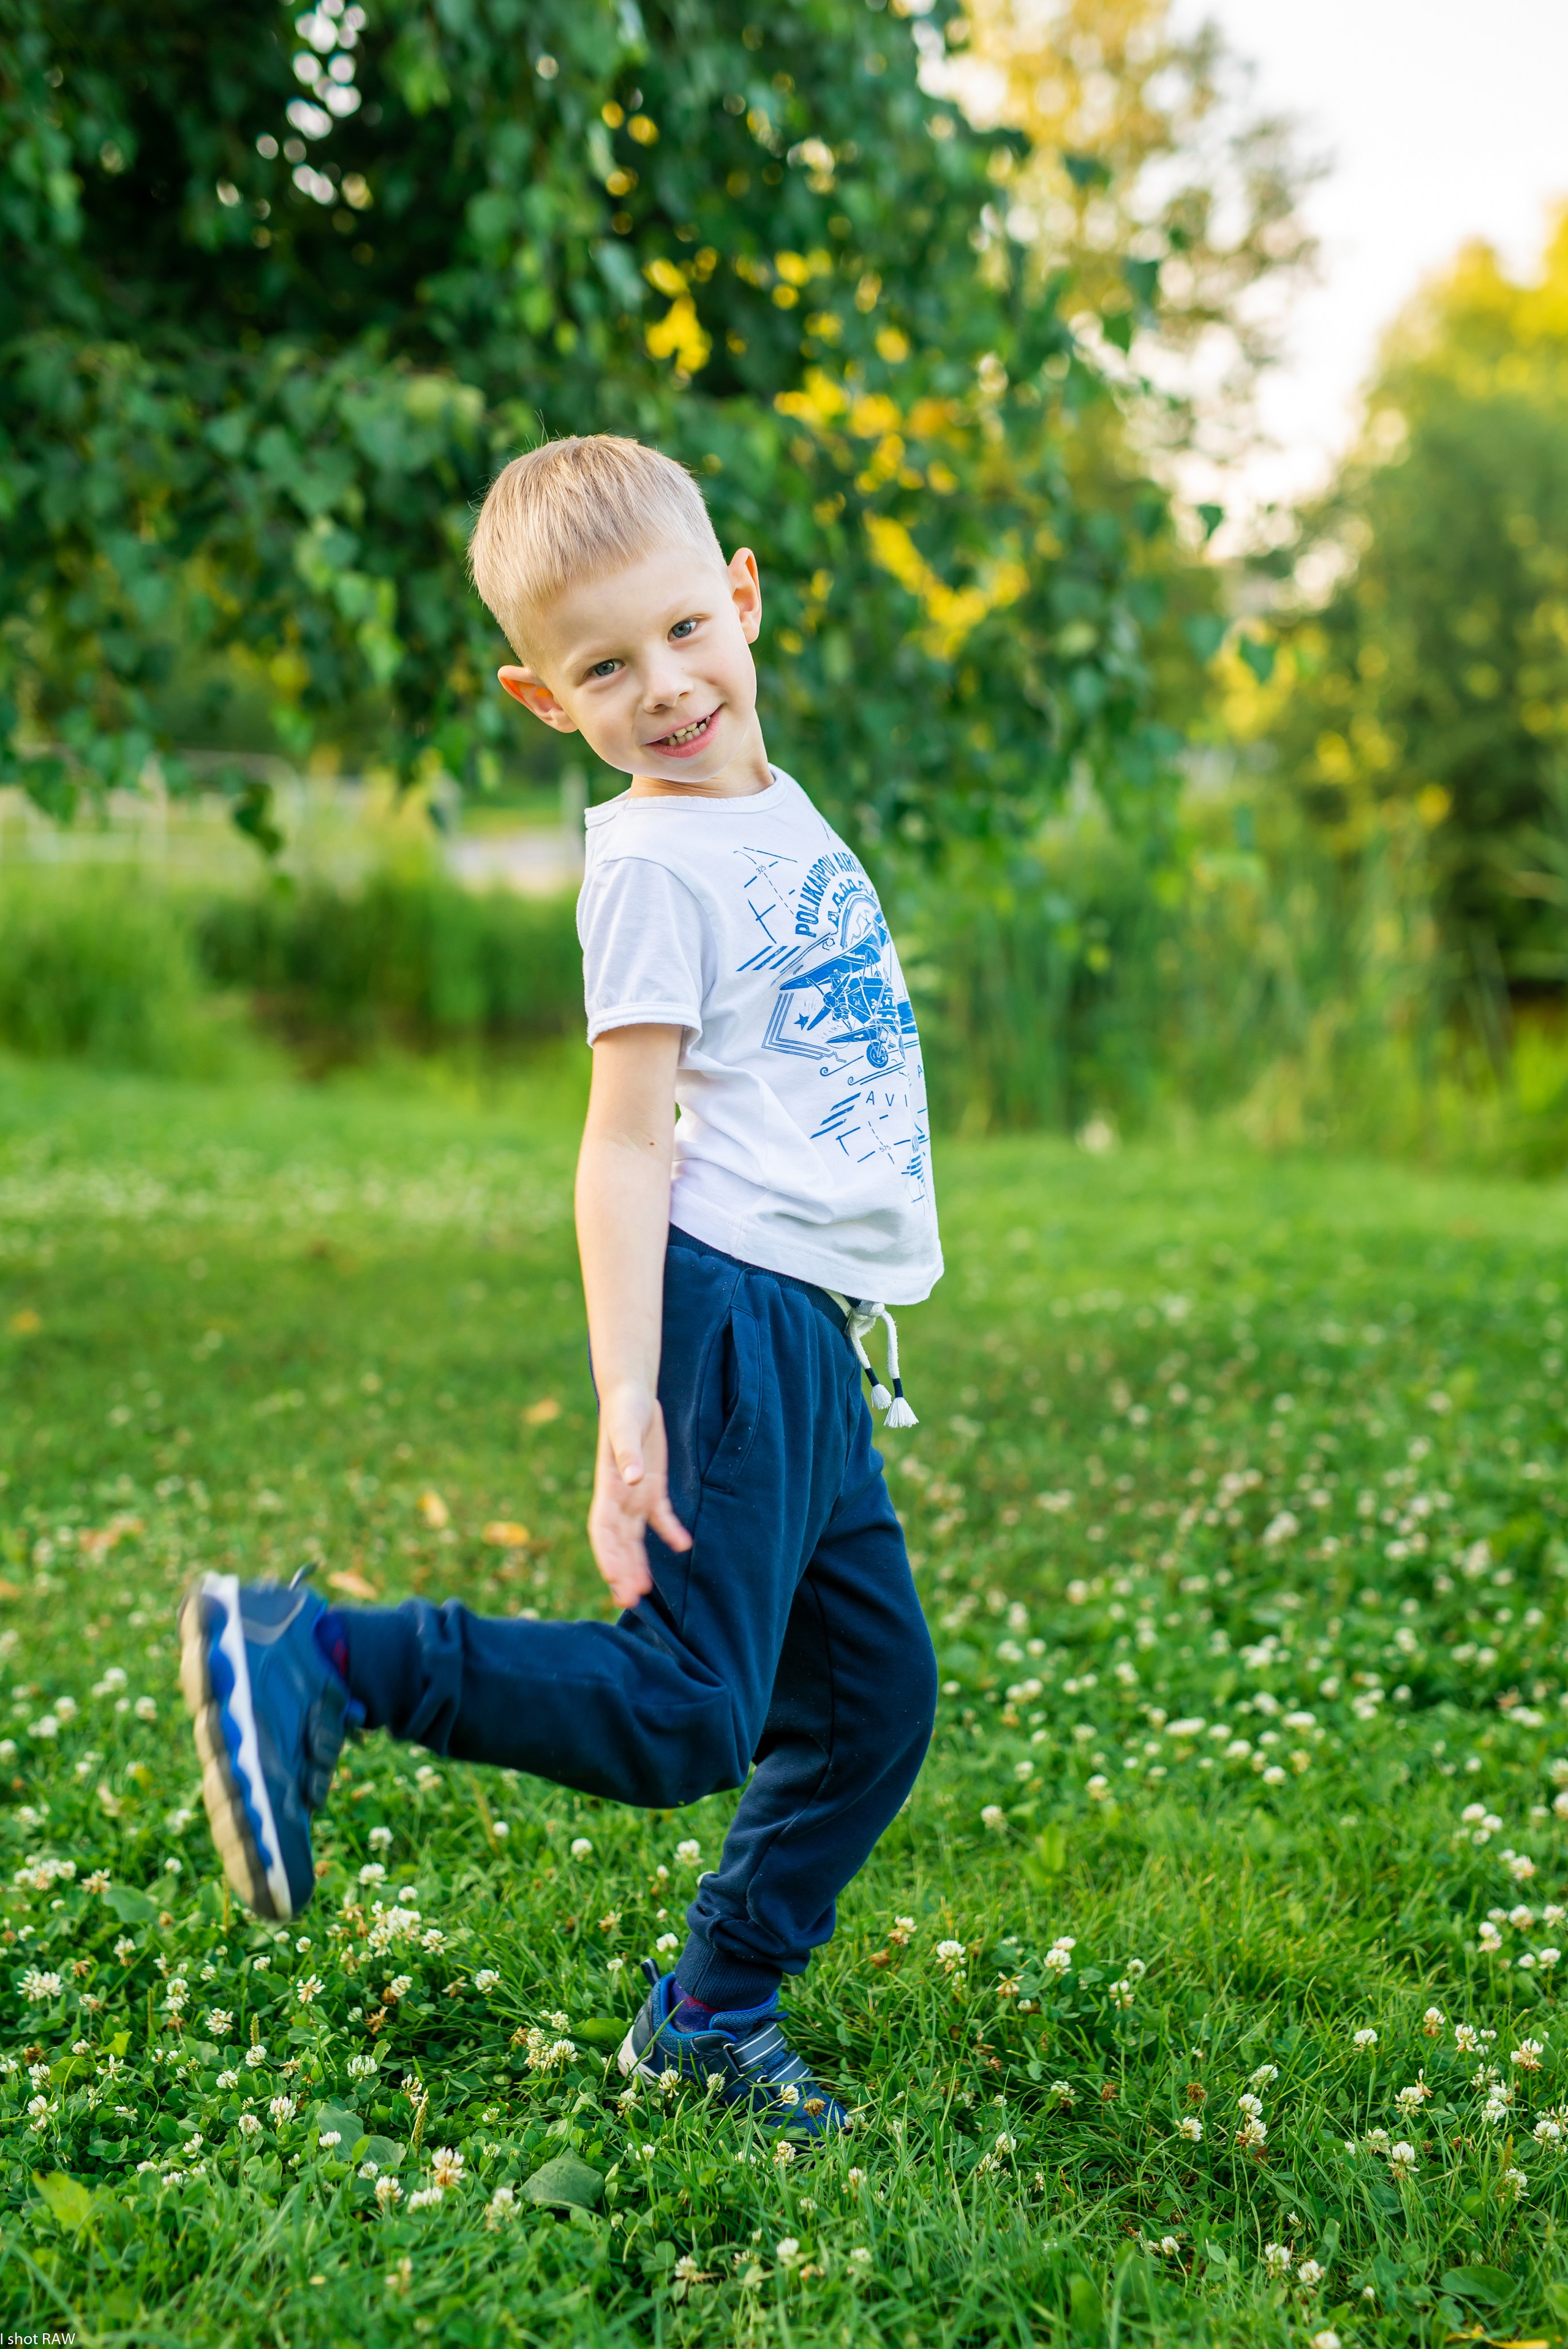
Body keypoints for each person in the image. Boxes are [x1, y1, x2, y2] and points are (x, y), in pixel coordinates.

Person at [179, 435, 941, 2135]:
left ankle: (711, 2016)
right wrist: (626, 1394)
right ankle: (328, 1658)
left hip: (807, 1341)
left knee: (873, 1704)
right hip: (732, 1315)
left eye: (681, 631)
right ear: (546, 697)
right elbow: (619, 1146)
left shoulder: (759, 796)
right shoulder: (655, 864)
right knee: (690, 1711)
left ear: (741, 596)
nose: (664, 687)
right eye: (606, 666)